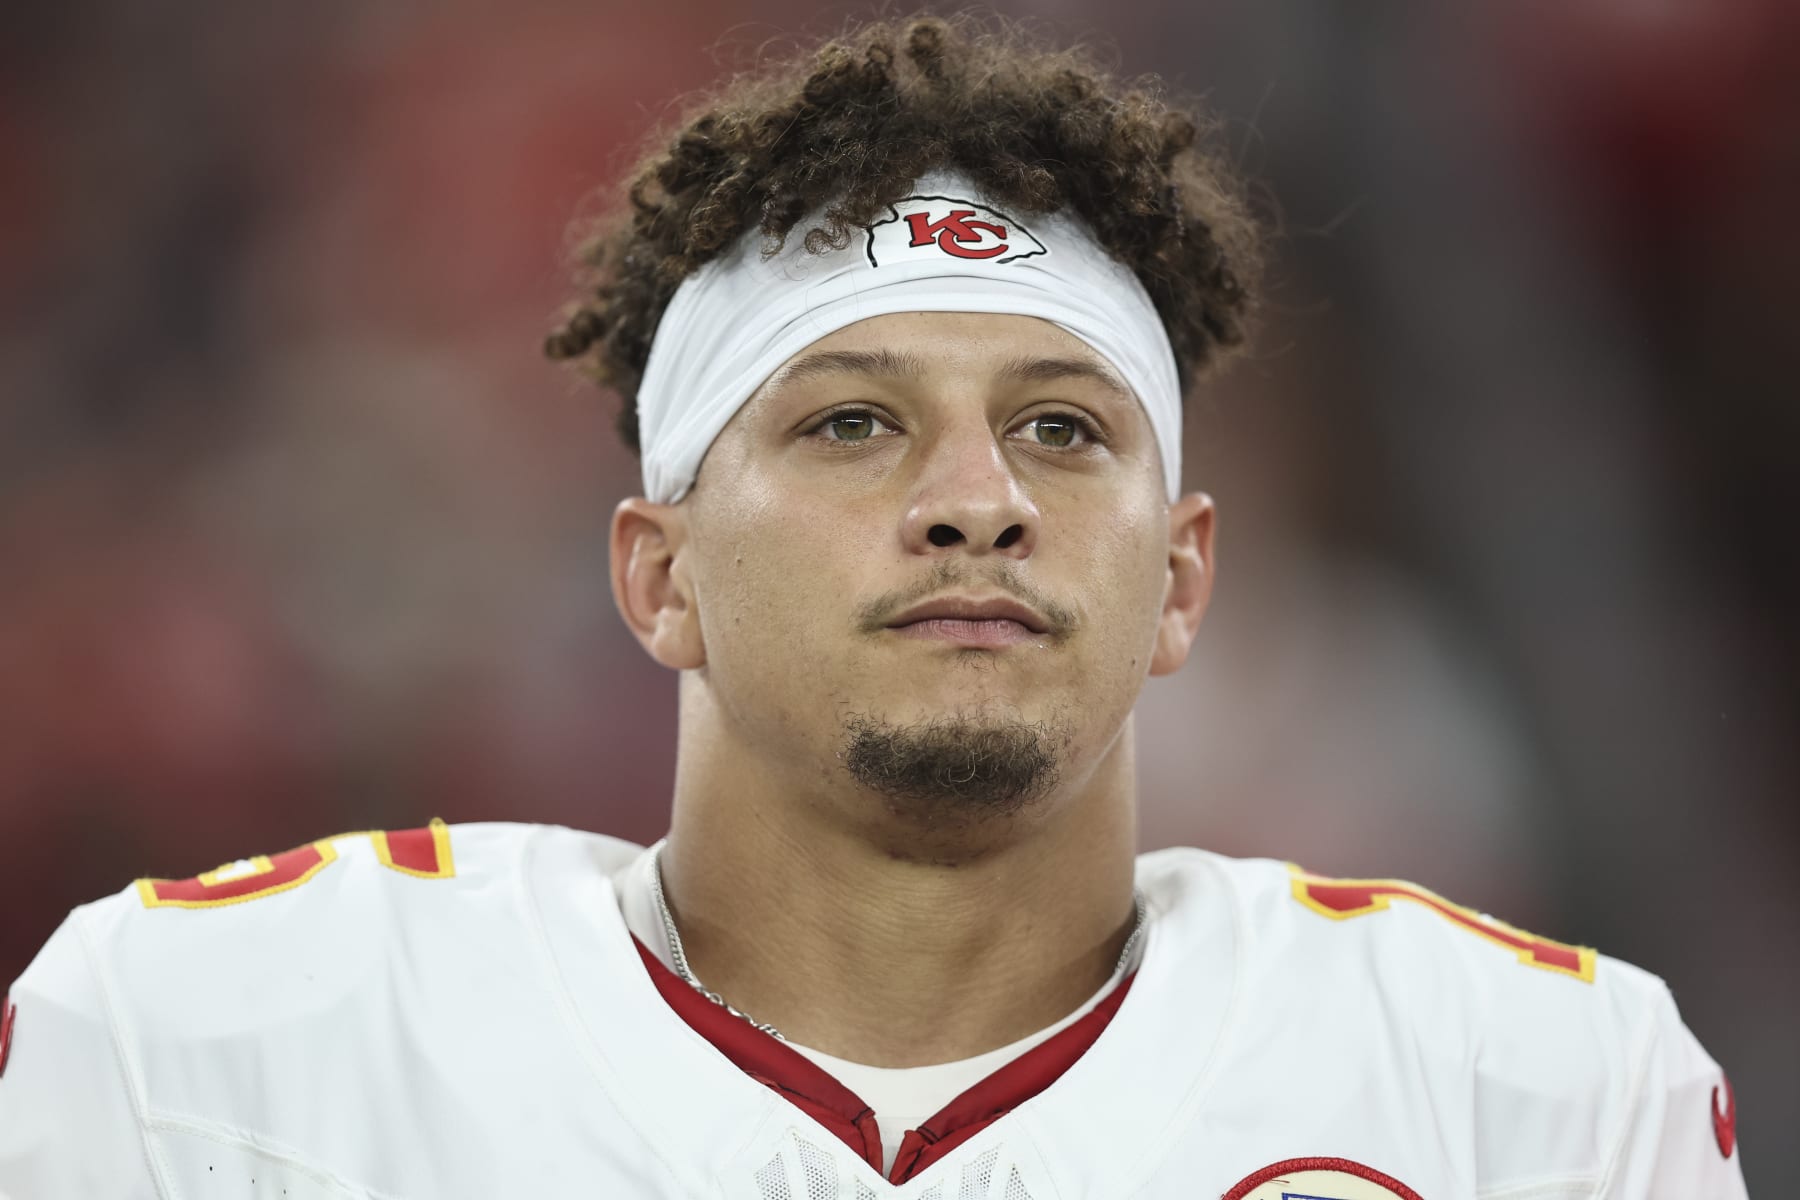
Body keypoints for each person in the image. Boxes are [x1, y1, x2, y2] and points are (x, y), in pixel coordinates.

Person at [0, 15, 1748, 1199]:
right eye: (852, 423)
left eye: (1062, 430)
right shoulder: (217, 1050)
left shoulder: (1532, 1095)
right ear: (655, 572)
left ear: (1185, 577)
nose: (977, 500)